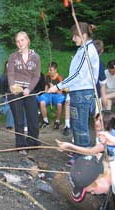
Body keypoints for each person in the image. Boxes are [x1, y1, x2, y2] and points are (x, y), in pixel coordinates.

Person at [48, 22, 99, 166]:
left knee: (81, 126)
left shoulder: (88, 50)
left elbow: (78, 74)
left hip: (83, 94)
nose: (73, 39)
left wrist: (58, 85)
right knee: (76, 125)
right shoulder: (82, 49)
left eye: (75, 36)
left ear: (83, 35)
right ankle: (79, 152)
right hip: (78, 93)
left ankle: (84, 158)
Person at [7, 31, 41, 150]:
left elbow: (36, 76)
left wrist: (29, 89)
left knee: (33, 118)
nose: (20, 43)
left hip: (29, 90)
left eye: (22, 40)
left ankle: (32, 142)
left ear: (27, 40)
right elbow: (10, 73)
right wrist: (12, 86)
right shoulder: (13, 57)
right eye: (18, 41)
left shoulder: (36, 57)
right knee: (19, 119)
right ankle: (20, 145)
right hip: (15, 91)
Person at [38, 62, 65, 129]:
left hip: (58, 95)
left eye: (51, 70)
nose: (49, 72)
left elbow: (60, 92)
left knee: (59, 104)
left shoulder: (60, 78)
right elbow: (46, 89)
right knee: (42, 102)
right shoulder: (47, 76)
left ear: (55, 70)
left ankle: (57, 121)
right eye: (48, 70)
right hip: (48, 94)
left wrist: (54, 88)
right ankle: (45, 121)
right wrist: (47, 90)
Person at [0, 62, 14, 130]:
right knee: (10, 104)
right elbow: (1, 90)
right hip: (5, 96)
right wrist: (5, 94)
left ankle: (1, 110)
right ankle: (9, 125)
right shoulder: (3, 77)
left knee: (9, 106)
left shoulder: (15, 76)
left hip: (14, 96)